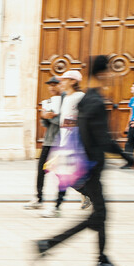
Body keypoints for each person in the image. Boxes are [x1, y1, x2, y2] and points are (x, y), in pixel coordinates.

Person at [36, 55, 134, 266]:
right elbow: (105, 140)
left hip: (84, 165)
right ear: (105, 73)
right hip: (91, 167)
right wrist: (132, 161)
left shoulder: (85, 98)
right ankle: (58, 246)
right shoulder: (95, 101)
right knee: (100, 215)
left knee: (99, 215)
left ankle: (92, 256)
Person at [42, 69, 87, 218]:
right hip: (63, 141)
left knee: (63, 174)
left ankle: (56, 207)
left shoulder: (80, 97)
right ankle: (87, 194)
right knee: (60, 173)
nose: (61, 82)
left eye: (64, 80)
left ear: (73, 82)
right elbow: (65, 120)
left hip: (74, 142)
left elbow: (83, 119)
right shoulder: (67, 98)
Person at [25, 76, 63, 210]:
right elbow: (45, 124)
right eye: (50, 85)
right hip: (48, 142)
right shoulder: (49, 101)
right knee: (41, 170)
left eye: (55, 84)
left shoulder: (66, 102)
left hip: (61, 143)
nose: (52, 87)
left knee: (62, 173)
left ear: (62, 85)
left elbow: (64, 122)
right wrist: (44, 116)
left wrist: (52, 117)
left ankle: (86, 194)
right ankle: (39, 198)